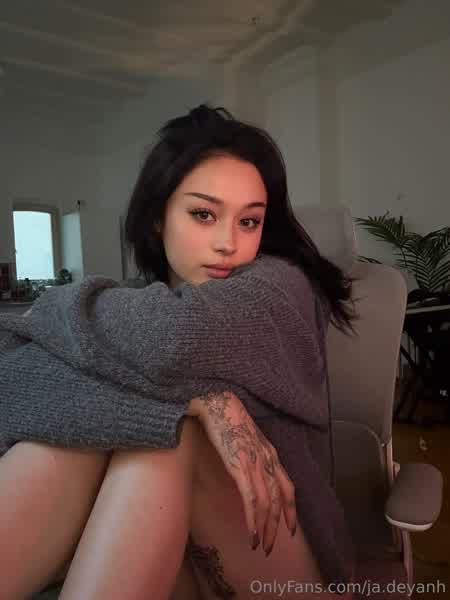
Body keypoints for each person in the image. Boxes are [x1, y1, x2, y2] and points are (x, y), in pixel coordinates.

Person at [0, 105, 356, 599]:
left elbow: (175, 339)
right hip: (164, 554)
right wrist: (197, 399)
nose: (228, 243)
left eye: (249, 221)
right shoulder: (134, 301)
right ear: (156, 218)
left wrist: (50, 309)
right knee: (91, 431)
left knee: (169, 435)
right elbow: (9, 380)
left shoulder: (279, 288)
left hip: (281, 555)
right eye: (203, 214)